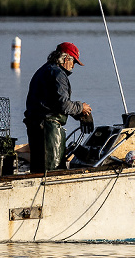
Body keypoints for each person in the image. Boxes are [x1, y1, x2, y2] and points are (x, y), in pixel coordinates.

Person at [24, 42, 92, 174]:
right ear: (66, 59)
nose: (73, 66)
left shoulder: (44, 70)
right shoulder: (58, 74)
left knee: (38, 170)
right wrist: (81, 107)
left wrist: (78, 115)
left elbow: (53, 103)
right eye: (74, 62)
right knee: (52, 172)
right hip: (48, 130)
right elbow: (63, 105)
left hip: (35, 127)